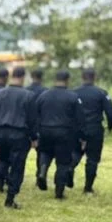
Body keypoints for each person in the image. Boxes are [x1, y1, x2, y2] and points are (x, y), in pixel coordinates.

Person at [0, 67, 38, 209]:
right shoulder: (29, 95)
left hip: (1, 132)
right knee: (17, 166)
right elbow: (32, 120)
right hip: (19, 133)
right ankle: (10, 199)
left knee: (2, 160)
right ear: (23, 76)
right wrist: (34, 137)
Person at [36, 70, 84, 199]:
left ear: (55, 79)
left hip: (45, 130)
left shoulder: (43, 95)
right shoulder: (73, 97)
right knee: (63, 163)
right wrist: (81, 136)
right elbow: (79, 119)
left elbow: (36, 113)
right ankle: (59, 192)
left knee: (45, 153)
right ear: (67, 80)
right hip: (64, 132)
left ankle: (42, 170)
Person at [73, 68, 112, 193]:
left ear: (82, 77)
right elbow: (111, 113)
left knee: (75, 152)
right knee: (92, 158)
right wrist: (110, 127)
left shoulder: (74, 93)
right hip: (94, 128)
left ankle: (69, 169)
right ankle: (88, 188)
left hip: (76, 129)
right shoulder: (101, 93)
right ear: (94, 77)